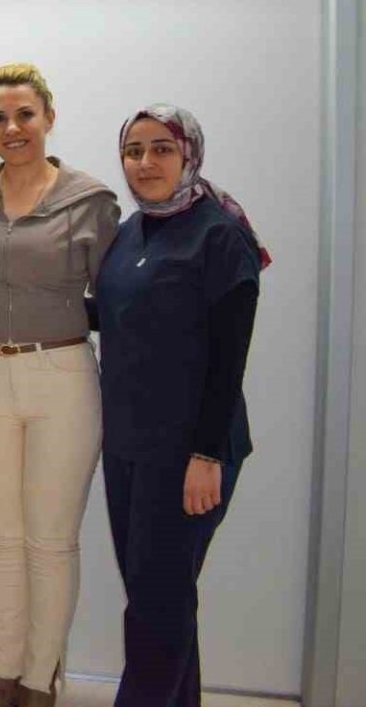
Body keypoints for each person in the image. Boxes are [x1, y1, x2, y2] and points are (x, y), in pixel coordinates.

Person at [0, 63, 120, 707]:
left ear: (49, 116)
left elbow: (116, 301)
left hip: (63, 375)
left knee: (50, 539)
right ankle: (0, 672)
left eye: (25, 114)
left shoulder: (91, 199)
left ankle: (39, 678)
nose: (12, 128)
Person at [96, 105, 266, 707]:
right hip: (127, 444)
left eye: (161, 149)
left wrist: (206, 455)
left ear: (189, 153)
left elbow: (229, 358)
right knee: (160, 596)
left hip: (189, 450)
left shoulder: (220, 235)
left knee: (157, 600)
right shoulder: (131, 231)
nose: (145, 163)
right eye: (133, 150)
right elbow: (114, 315)